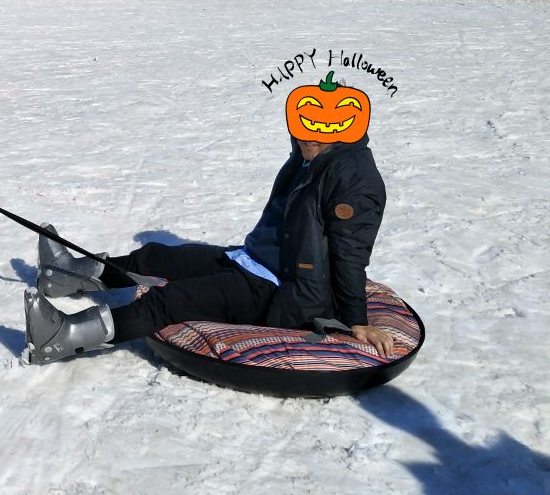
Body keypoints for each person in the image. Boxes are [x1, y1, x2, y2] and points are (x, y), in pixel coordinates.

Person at [25, 133, 395, 364]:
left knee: (168, 300)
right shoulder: (309, 155)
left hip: (283, 290)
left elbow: (349, 254)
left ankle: (62, 338)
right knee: (156, 256)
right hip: (250, 260)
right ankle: (66, 276)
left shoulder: (354, 181)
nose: (304, 139)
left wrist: (357, 319)